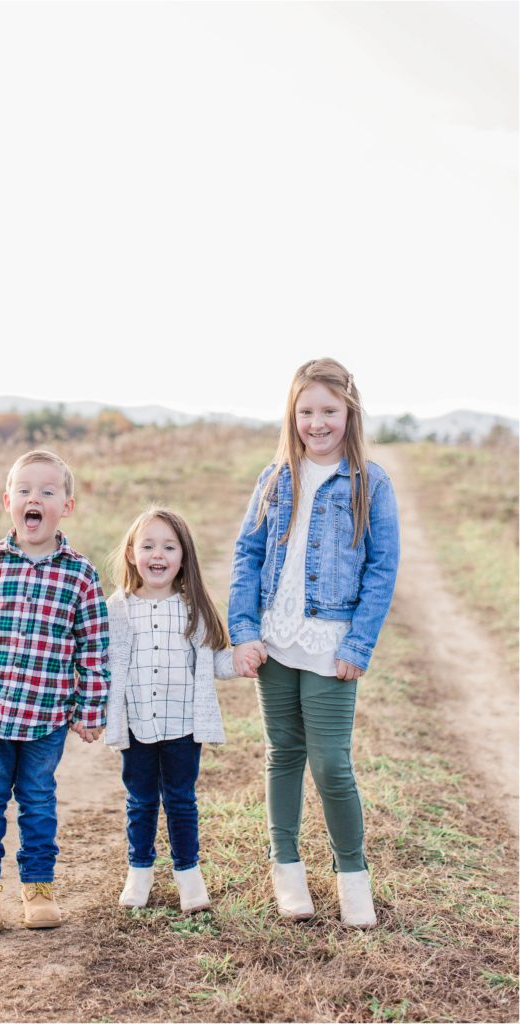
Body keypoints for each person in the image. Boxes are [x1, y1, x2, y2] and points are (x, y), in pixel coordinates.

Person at [228, 358, 399, 929]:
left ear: (350, 412)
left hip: (330, 644)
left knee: (331, 765)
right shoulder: (275, 477)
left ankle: (353, 876)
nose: (317, 422)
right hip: (276, 641)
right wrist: (245, 630)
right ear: (292, 415)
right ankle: (288, 870)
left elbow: (381, 569)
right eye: (307, 411)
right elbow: (247, 556)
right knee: (283, 756)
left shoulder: (369, 481)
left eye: (329, 410)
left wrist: (359, 643)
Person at [0, 449, 109, 932]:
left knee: (38, 799)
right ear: (7, 501)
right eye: (24, 491)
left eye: (47, 491)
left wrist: (90, 708)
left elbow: (93, 646)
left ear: (67, 506)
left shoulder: (78, 573)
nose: (33, 499)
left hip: (47, 716)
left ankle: (38, 886)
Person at [104, 507, 258, 913]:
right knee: (140, 800)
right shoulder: (116, 609)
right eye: (148, 545)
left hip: (183, 725)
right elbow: (104, 666)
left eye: (169, 546)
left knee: (181, 799)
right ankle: (139, 871)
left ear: (183, 557)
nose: (158, 554)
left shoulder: (194, 610)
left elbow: (213, 663)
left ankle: (188, 874)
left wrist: (240, 661)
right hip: (137, 723)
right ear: (132, 554)